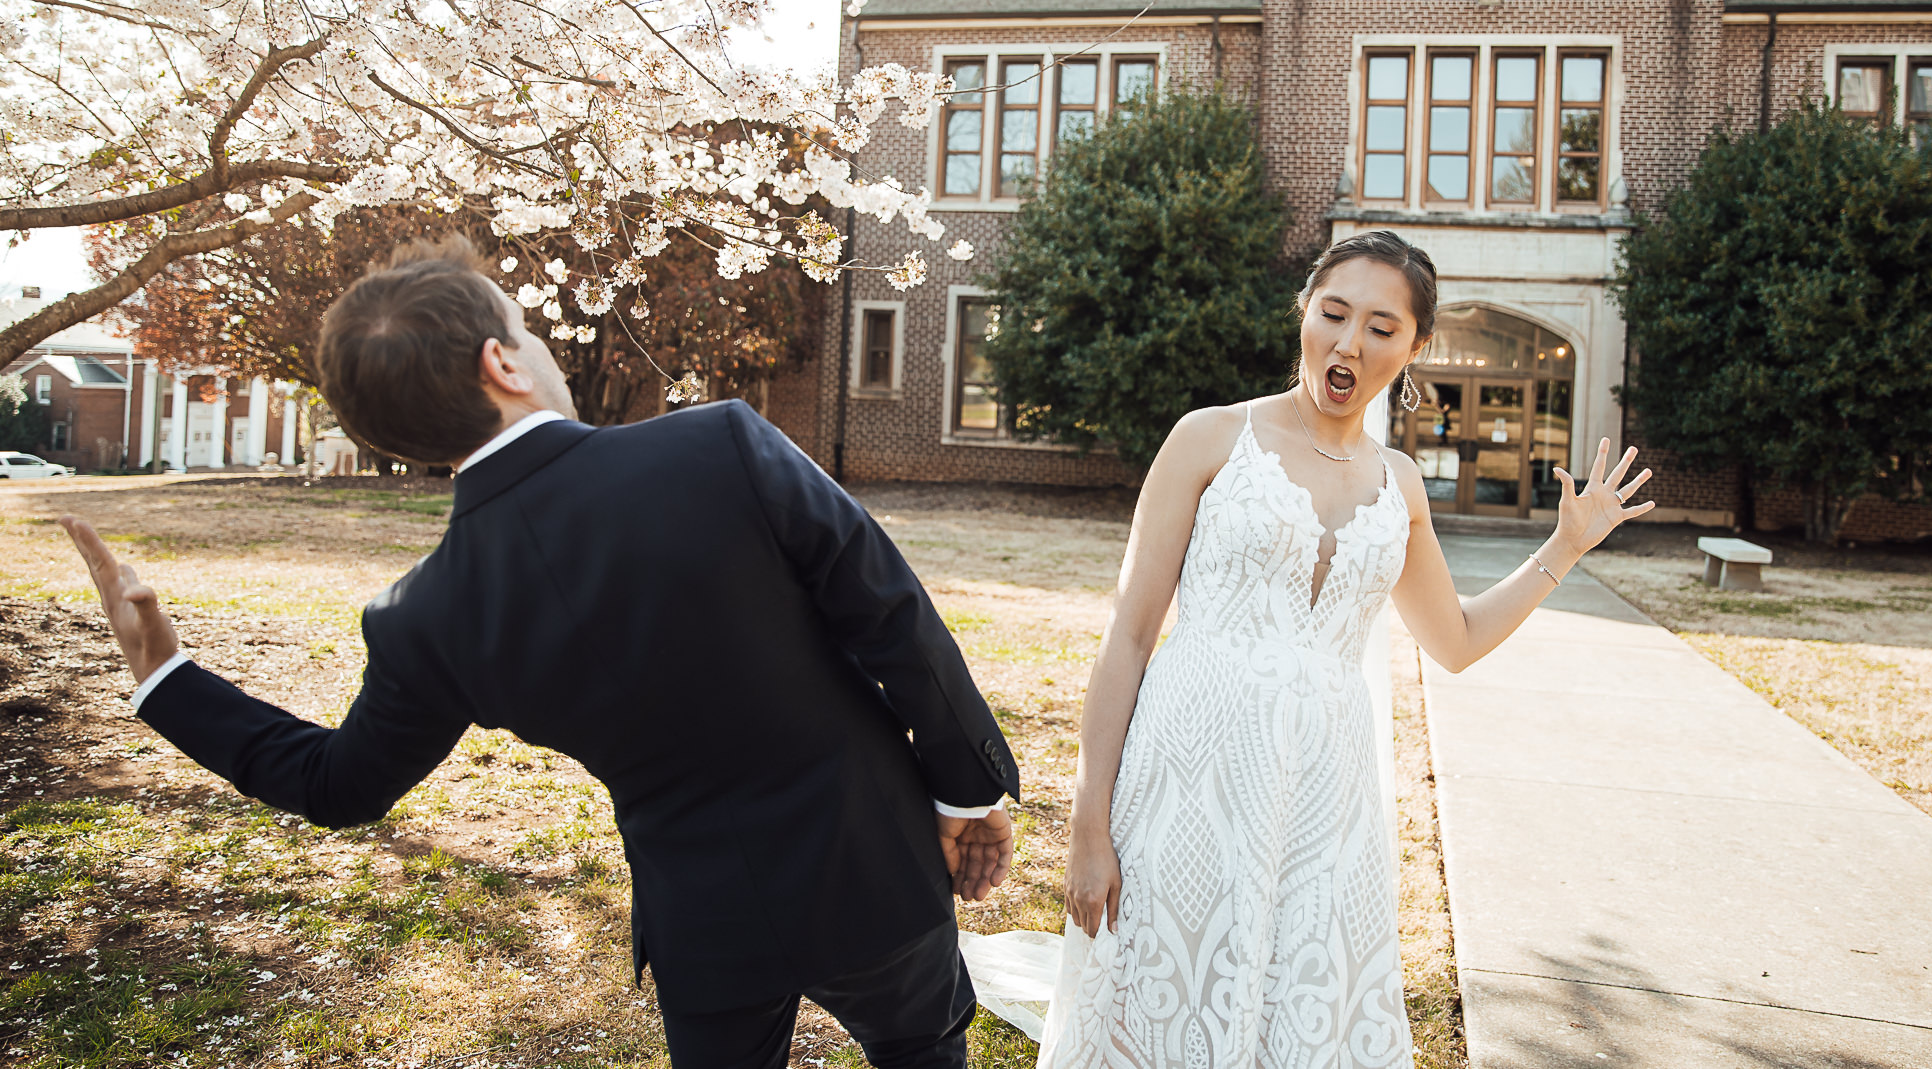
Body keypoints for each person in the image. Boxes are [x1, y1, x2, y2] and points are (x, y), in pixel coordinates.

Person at [60, 237, 1020, 1069]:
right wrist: (963, 796)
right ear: (503, 364)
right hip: (873, 871)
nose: (545, 346)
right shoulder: (722, 448)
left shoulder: (426, 614)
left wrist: (167, 682)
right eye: (528, 329)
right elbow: (895, 620)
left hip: (707, 927)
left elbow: (336, 781)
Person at [1038, 231, 1653, 1068]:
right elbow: (1129, 637)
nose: (1349, 342)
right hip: (1188, 779)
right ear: (1305, 311)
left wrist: (1563, 552)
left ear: (1414, 346)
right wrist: (1088, 826)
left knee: (1292, 1009)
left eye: (1380, 327)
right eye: (1333, 313)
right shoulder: (1208, 439)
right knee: (1165, 996)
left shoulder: (1399, 484)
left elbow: (1457, 640)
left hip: (1323, 801)